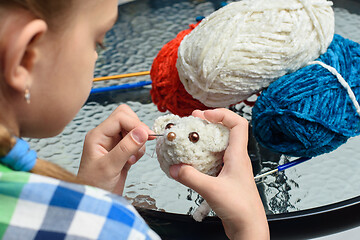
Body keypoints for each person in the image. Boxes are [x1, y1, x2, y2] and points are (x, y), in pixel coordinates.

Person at [0, 0, 270, 239]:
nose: (96, 56)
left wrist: (91, 194)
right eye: (98, 42)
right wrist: (250, 228)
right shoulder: (113, 229)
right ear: (25, 58)